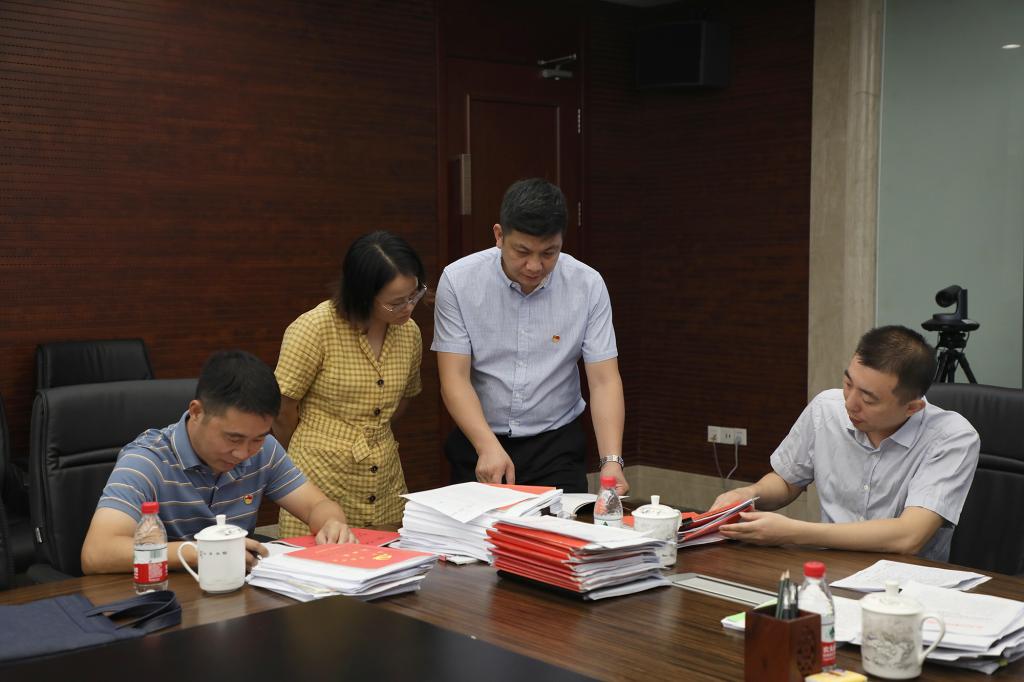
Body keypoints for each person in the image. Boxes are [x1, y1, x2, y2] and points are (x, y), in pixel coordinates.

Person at [711, 325, 979, 562]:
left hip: (905, 584)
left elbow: (909, 536)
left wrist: (793, 532)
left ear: (912, 407)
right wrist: (750, 494)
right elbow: (786, 481)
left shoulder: (952, 438)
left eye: (868, 399)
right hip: (827, 568)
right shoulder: (826, 408)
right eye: (848, 384)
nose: (850, 403)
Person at [433, 178, 628, 495]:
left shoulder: (587, 285)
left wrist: (611, 460)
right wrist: (486, 445)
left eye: (549, 253)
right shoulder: (459, 281)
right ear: (499, 235)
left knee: (563, 525)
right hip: (480, 440)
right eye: (522, 251)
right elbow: (454, 378)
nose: (535, 266)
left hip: (556, 446)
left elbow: (604, 381)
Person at [81, 350, 355, 575]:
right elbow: (97, 553)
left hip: (235, 593)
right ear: (197, 412)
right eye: (233, 438)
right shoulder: (146, 461)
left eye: (257, 438)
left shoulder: (264, 451)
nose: (243, 453)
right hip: (165, 596)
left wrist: (332, 523)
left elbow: (317, 505)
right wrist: (205, 552)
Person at [273, 231, 425, 532]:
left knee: (384, 557)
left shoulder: (409, 333)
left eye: (414, 295)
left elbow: (405, 397)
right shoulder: (315, 328)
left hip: (383, 479)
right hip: (320, 475)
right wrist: (314, 447)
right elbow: (282, 408)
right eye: (396, 303)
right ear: (363, 295)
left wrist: (370, 431)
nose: (408, 308)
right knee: (321, 557)